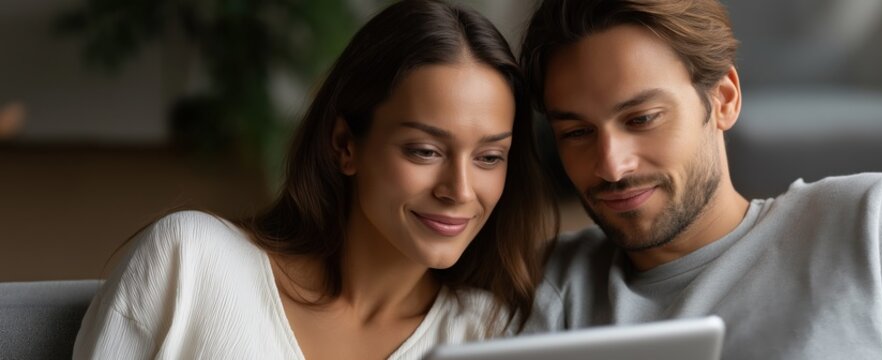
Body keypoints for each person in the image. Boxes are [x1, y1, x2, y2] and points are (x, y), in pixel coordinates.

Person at [517, 0, 882, 358]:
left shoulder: (869, 220)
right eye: (577, 132)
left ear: (723, 99)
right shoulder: (551, 284)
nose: (611, 165)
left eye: (642, 119)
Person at [73, 0, 557, 358]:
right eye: (425, 150)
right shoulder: (193, 263)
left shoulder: (489, 336)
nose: (460, 190)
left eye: (490, 157)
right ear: (345, 144)